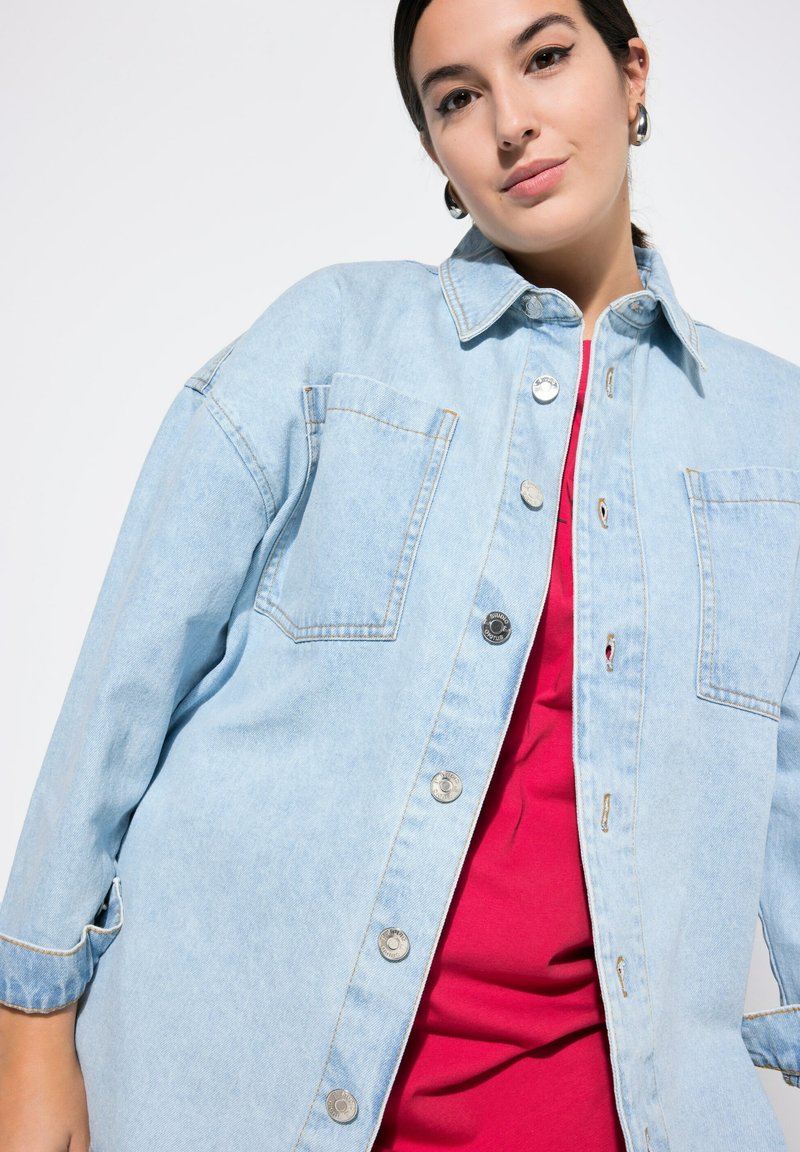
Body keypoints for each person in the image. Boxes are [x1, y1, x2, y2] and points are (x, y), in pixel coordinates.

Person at [1, 0, 799, 1148]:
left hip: (591, 1112)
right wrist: (29, 1032)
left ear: (631, 73)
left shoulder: (769, 432)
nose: (509, 122)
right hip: (233, 1086)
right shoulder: (331, 342)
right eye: (457, 98)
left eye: (545, 57)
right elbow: (123, 684)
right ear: (433, 148)